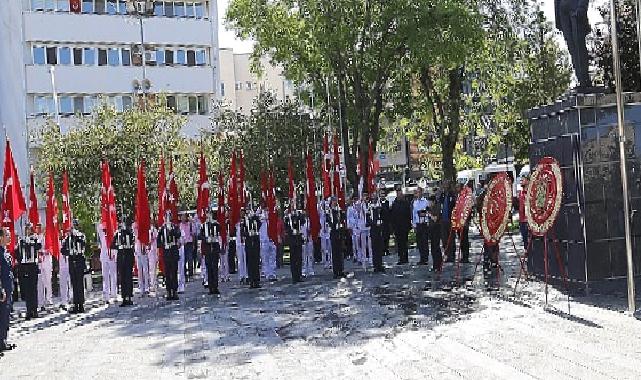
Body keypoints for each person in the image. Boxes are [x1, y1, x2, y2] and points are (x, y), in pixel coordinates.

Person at [16, 224, 41, 319]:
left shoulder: (35, 239)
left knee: (33, 289)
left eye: (29, 228)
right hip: (25, 266)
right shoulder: (21, 240)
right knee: (27, 289)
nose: (28, 230)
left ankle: (34, 310)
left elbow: (38, 246)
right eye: (26, 228)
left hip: (32, 266)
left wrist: (31, 241)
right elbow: (17, 253)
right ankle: (28, 310)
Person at [61, 220, 86, 314]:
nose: (72, 229)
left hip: (79, 260)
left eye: (74, 226)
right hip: (72, 260)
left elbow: (83, 244)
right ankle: (76, 304)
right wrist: (69, 252)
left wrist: (76, 236)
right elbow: (63, 250)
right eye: (71, 227)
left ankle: (81, 305)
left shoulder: (81, 236)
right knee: (74, 283)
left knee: (80, 283)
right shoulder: (68, 238)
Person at [157, 212, 181, 301]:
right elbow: (158, 242)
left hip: (173, 251)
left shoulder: (175, 227)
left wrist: (171, 229)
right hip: (166, 252)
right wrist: (163, 245)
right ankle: (168, 291)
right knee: (167, 273)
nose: (167, 218)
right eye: (166, 216)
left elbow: (178, 235)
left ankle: (174, 291)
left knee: (174, 272)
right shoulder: (162, 229)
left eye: (169, 216)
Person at [112, 220, 135, 307]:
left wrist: (126, 231)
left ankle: (129, 296)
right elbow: (112, 245)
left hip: (128, 255)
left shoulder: (129, 232)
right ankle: (124, 297)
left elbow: (132, 240)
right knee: (122, 278)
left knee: (128, 277)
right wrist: (119, 244)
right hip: (121, 256)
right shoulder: (117, 234)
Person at [1, 227, 16, 354]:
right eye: (7, 235)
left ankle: (3, 341)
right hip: (3, 291)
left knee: (6, 316)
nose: (9, 237)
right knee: (2, 317)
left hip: (9, 288)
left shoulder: (6, 252)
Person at [200, 209, 221, 295]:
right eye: (207, 214)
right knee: (209, 268)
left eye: (210, 214)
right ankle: (211, 287)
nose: (209, 215)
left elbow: (218, 233)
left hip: (215, 248)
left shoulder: (216, 224)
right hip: (207, 248)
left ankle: (215, 286)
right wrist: (205, 239)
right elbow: (200, 236)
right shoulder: (203, 225)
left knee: (215, 268)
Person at [390, 184, 411, 265]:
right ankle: (400, 258)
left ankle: (405, 258)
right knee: (399, 243)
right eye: (398, 193)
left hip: (404, 226)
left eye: (400, 192)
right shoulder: (394, 204)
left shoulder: (406, 203)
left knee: (405, 243)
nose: (400, 194)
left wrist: (409, 225)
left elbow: (408, 215)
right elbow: (392, 217)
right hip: (397, 227)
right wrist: (393, 228)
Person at [242, 207, 261, 289]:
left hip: (256, 241)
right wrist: (248, 233)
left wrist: (255, 216)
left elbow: (259, 224)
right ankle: (251, 280)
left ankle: (256, 280)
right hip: (249, 242)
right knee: (250, 262)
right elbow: (242, 232)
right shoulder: (244, 221)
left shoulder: (255, 219)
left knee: (256, 262)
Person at [328, 197, 347, 279]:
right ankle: (335, 272)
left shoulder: (338, 210)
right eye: (334, 201)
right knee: (335, 253)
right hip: (333, 234)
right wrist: (334, 226)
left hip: (339, 233)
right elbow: (328, 221)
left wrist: (341, 214)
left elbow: (342, 219)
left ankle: (341, 270)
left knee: (340, 253)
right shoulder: (329, 211)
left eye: (336, 201)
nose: (335, 202)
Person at [36, 223, 53, 309]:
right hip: (39, 261)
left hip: (47, 260)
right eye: (37, 228)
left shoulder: (47, 237)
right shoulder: (36, 238)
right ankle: (41, 300)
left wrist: (43, 252)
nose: (38, 229)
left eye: (40, 227)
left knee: (48, 280)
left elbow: (50, 249)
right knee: (40, 281)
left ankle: (49, 298)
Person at [412, 187, 430, 266]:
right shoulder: (415, 202)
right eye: (417, 192)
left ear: (422, 192)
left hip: (424, 223)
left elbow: (427, 212)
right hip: (418, 224)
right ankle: (421, 258)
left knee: (424, 241)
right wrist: (414, 225)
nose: (418, 194)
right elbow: (414, 214)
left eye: (419, 192)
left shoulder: (425, 202)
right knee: (419, 242)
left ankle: (425, 258)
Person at [259, 205, 277, 281]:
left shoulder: (272, 214)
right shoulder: (260, 215)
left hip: (272, 238)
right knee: (265, 257)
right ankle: (267, 273)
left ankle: (272, 273)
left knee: (272, 256)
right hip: (264, 239)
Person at [286, 206, 304, 283]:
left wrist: (300, 214)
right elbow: (286, 227)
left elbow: (303, 221)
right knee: (293, 259)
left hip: (298, 239)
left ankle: (299, 275)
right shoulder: (287, 218)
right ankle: (294, 277)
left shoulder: (298, 216)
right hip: (292, 240)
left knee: (299, 258)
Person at [368, 191, 385, 273]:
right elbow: (367, 220)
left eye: (376, 196)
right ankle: (376, 266)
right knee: (374, 248)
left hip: (379, 230)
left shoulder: (379, 206)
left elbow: (383, 215)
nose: (374, 198)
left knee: (379, 248)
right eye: (373, 196)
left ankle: (380, 264)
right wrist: (374, 223)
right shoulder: (369, 207)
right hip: (373, 229)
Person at [133, 222, 150, 296]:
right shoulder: (135, 234)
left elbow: (146, 240)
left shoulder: (143, 231)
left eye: (135, 229)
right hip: (137, 252)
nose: (134, 230)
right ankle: (141, 287)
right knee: (139, 271)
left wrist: (144, 247)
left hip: (142, 251)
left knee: (145, 270)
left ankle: (147, 287)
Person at [428, 194, 443, 271]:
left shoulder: (437, 207)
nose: (429, 203)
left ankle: (439, 264)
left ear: (433, 202)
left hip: (436, 229)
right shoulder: (430, 208)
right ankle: (435, 265)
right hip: (431, 229)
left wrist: (429, 214)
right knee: (433, 248)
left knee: (436, 247)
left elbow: (435, 219)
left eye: (430, 202)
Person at [58, 228, 72, 309]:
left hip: (69, 264)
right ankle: (64, 301)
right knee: (63, 284)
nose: (61, 234)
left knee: (70, 282)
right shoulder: (57, 242)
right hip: (62, 265)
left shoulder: (67, 241)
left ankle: (71, 298)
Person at [358, 192, 373, 270]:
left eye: (366, 196)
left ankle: (371, 259)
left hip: (369, 227)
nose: (365, 198)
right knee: (363, 245)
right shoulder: (360, 205)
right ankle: (363, 261)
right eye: (364, 196)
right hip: (362, 227)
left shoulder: (369, 205)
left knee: (370, 245)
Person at [179, 214, 195, 282]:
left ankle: (191, 274)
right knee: (183, 260)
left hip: (189, 243)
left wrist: (194, 243)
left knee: (190, 259)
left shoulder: (190, 224)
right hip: (183, 244)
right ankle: (185, 275)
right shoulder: (179, 225)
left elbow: (193, 234)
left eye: (184, 217)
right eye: (182, 217)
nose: (183, 218)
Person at [347, 195, 362, 264]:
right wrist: (349, 227)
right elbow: (348, 218)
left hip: (359, 227)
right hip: (353, 227)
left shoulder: (359, 207)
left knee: (359, 243)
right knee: (354, 243)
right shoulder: (350, 208)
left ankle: (360, 257)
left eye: (356, 200)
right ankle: (355, 256)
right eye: (354, 200)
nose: (355, 201)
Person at [235, 209, 248, 284]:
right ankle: (241, 275)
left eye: (243, 212)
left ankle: (246, 275)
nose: (242, 214)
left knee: (246, 260)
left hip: (245, 242)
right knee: (240, 261)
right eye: (241, 213)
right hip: (239, 243)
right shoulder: (237, 222)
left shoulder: (246, 221)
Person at [319, 198, 333, 269]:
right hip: (323, 232)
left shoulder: (329, 212)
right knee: (324, 248)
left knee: (330, 248)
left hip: (329, 231)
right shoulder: (321, 213)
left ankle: (330, 262)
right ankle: (325, 262)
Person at [147, 218, 159, 292]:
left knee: (153, 268)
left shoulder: (154, 230)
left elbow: (154, 238)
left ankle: (153, 284)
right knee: (150, 268)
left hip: (154, 250)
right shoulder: (148, 230)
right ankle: (151, 283)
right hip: (149, 251)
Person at [301, 211, 315, 277]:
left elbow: (313, 229)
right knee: (304, 255)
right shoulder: (301, 222)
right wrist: (303, 237)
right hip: (304, 239)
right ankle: (304, 270)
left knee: (310, 255)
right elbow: (301, 230)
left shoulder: (310, 221)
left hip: (309, 239)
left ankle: (310, 269)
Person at [518, 177, 529, 249]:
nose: (520, 181)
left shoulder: (530, 193)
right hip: (522, 220)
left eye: (522, 180)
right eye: (520, 180)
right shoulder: (520, 193)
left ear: (527, 181)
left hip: (528, 220)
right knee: (524, 239)